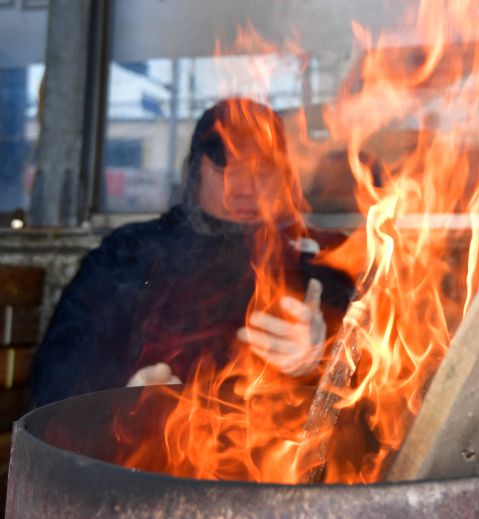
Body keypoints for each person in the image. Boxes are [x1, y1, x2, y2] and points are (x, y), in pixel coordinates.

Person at [32, 99, 354, 406]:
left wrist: (320, 358)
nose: (243, 187)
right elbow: (55, 375)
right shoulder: (128, 254)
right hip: (142, 455)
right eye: (225, 168)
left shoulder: (320, 258)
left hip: (270, 454)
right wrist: (117, 399)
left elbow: (381, 384)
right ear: (193, 172)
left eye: (262, 170)